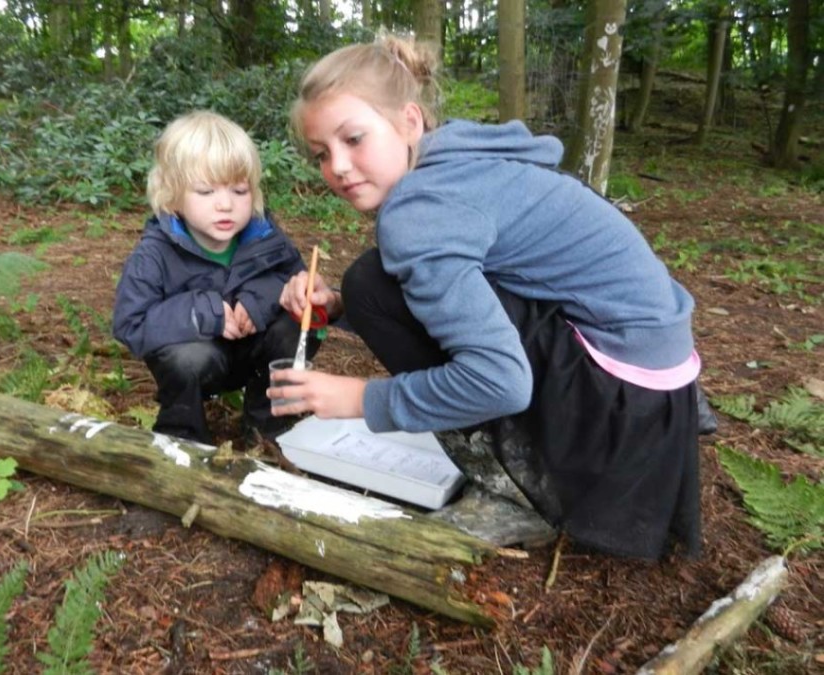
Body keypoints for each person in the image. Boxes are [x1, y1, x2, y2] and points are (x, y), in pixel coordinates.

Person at [271, 35, 705, 560]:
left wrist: (361, 400)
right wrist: (340, 309)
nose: (338, 166)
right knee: (369, 287)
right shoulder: (461, 157)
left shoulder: (420, 211)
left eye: (353, 138)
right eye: (322, 153)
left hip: (619, 405)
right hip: (661, 387)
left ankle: (517, 490)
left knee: (372, 283)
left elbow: (501, 381)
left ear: (409, 121)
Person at [113, 110, 320, 446]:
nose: (225, 204)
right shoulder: (153, 255)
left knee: (296, 321)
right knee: (187, 359)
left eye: (239, 190)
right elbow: (130, 323)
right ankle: (182, 436)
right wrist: (201, 314)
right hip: (198, 361)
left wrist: (260, 301)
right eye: (206, 191)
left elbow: (293, 280)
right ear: (172, 197)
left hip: (252, 354)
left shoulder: (265, 238)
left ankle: (267, 425)